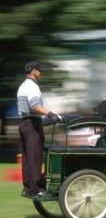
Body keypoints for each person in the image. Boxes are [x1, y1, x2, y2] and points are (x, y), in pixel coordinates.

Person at [17, 61, 61, 198]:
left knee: (27, 158)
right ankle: (37, 191)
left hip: (24, 123)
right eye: (39, 70)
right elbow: (35, 106)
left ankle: (28, 188)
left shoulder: (23, 86)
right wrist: (51, 114)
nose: (41, 73)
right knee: (35, 158)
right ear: (34, 71)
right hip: (32, 124)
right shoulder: (32, 87)